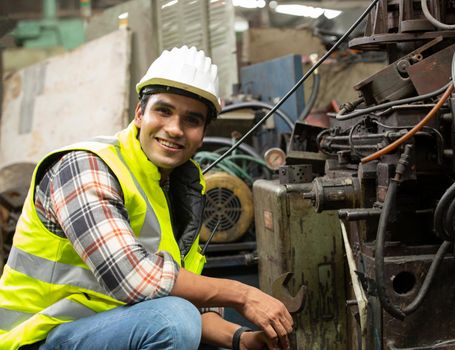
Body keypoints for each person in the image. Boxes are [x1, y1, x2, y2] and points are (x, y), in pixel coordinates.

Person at [0, 46, 293, 350]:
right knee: (173, 320)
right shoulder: (85, 167)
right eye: (163, 111)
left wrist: (241, 340)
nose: (175, 129)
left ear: (203, 133)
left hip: (103, 333)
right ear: (140, 114)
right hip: (33, 339)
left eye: (192, 120)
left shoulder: (180, 188)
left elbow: (187, 303)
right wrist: (242, 294)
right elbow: (133, 279)